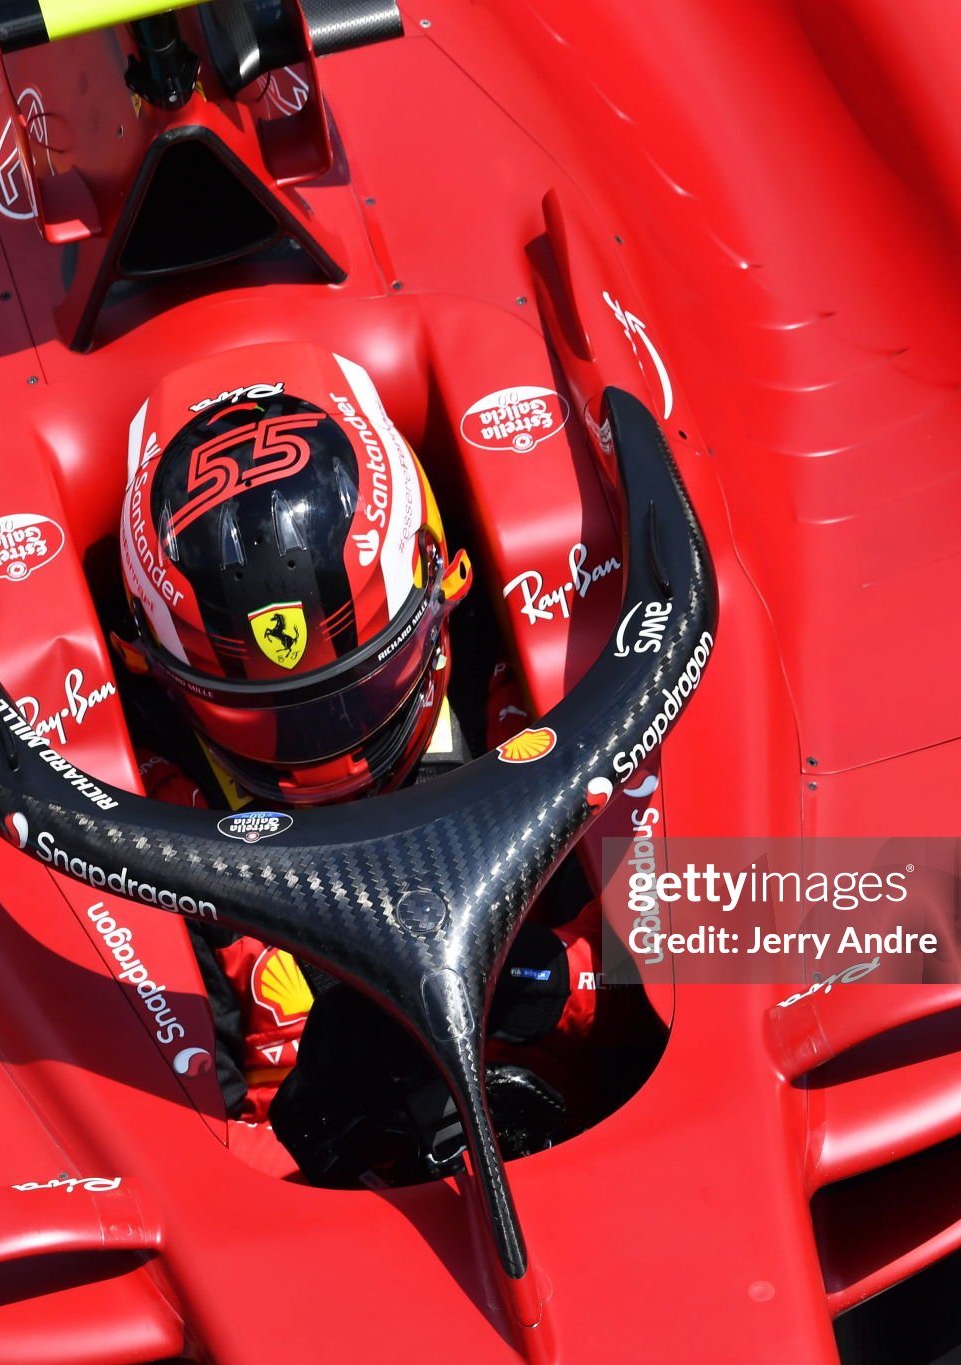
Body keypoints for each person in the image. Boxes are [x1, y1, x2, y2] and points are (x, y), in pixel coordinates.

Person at [113, 344, 598, 1139]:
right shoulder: (142, 812)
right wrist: (314, 1120)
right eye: (270, 714)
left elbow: (789, 917)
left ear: (442, 580)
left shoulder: (532, 670)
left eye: (354, 690)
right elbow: (180, 1160)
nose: (326, 752)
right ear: (157, 669)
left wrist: (561, 979)